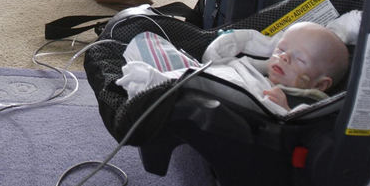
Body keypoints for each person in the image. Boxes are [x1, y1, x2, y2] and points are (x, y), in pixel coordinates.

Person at [117, 21, 351, 114]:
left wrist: (285, 110)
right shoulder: (258, 67)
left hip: (237, 100)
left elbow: (308, 126)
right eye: (280, 50)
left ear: (320, 83)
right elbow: (217, 60)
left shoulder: (309, 98)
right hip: (211, 72)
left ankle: (156, 86)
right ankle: (156, 79)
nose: (283, 58)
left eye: (299, 60)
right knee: (146, 39)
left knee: (206, 87)